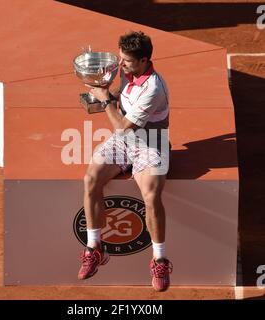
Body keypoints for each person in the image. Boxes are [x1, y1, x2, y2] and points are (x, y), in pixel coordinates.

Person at [77, 31, 173, 292]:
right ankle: (95, 248)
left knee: (151, 196)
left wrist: (105, 98)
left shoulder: (153, 88)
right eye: (120, 58)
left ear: (143, 60)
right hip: (126, 142)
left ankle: (160, 259)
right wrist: (102, 96)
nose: (121, 65)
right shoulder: (128, 71)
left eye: (126, 61)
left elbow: (121, 127)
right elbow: (121, 97)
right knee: (91, 179)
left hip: (151, 145)